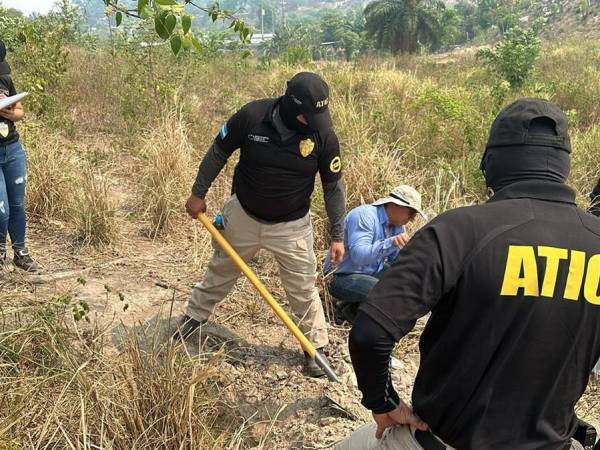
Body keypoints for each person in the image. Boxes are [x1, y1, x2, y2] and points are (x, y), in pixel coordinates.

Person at [336, 98, 600, 450]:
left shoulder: (458, 231)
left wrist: (382, 403)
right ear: (564, 164)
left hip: (443, 440)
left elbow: (369, 335)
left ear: (490, 163)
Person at [173, 72, 345, 378]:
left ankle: (314, 347)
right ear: (292, 108)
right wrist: (198, 192)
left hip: (292, 226)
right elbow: (218, 152)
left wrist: (338, 235)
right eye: (309, 115)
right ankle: (193, 318)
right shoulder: (252, 116)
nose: (316, 122)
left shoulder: (323, 135)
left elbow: (333, 187)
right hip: (244, 215)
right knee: (221, 269)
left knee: (303, 287)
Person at [324, 185, 424, 323]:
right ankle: (351, 311)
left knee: (405, 281)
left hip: (369, 274)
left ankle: (354, 306)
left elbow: (396, 261)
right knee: (384, 292)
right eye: (411, 212)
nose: (412, 218)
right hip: (341, 277)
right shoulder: (364, 216)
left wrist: (413, 257)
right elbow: (359, 256)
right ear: (396, 205)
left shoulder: (398, 227)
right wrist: (391, 243)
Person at [0, 40, 38, 272]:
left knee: (16, 204)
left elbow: (20, 111)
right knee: (1, 208)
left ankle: (20, 253)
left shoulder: (5, 78)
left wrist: (9, 112)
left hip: (12, 149)